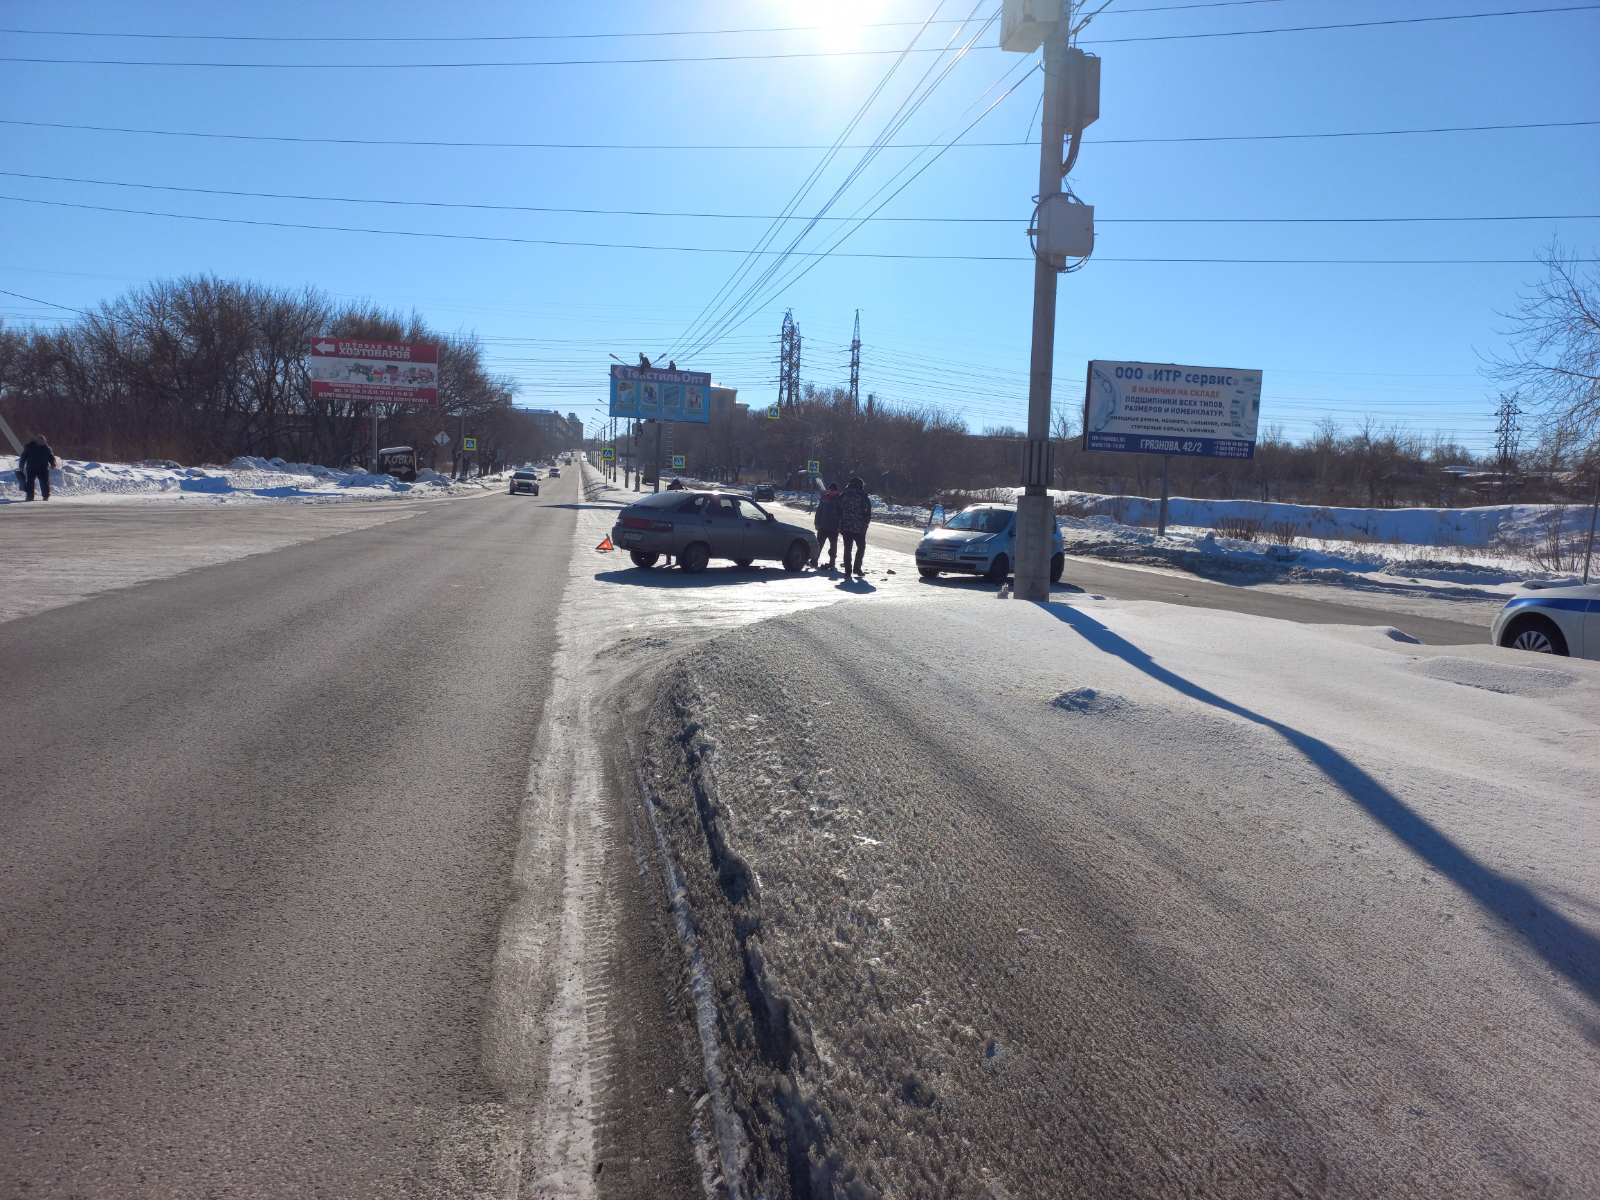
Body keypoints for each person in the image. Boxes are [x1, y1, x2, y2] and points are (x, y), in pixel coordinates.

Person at [839, 476, 872, 578]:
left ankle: (847, 572)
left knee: (847, 549)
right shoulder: (863, 496)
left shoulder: (844, 494)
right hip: (859, 528)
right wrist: (865, 524)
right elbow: (868, 511)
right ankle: (857, 568)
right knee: (861, 547)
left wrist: (840, 524)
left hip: (845, 527)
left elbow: (838, 509)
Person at [813, 480, 842, 570]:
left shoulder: (840, 500)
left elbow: (842, 514)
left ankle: (832, 562)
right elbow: (819, 511)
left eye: (833, 490)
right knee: (818, 545)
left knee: (833, 546)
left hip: (834, 528)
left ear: (836, 491)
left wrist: (840, 526)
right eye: (830, 490)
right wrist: (816, 523)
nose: (831, 492)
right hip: (823, 527)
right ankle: (814, 561)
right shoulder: (824, 498)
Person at [18, 436, 57, 502]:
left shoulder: (47, 448)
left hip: (43, 468)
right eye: (41, 441)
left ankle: (46, 496)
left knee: (44, 482)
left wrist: (53, 463)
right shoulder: (29, 447)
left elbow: (51, 457)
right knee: (30, 482)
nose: (43, 442)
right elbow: (23, 457)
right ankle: (29, 497)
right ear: (37, 441)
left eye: (44, 441)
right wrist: (21, 465)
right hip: (31, 468)